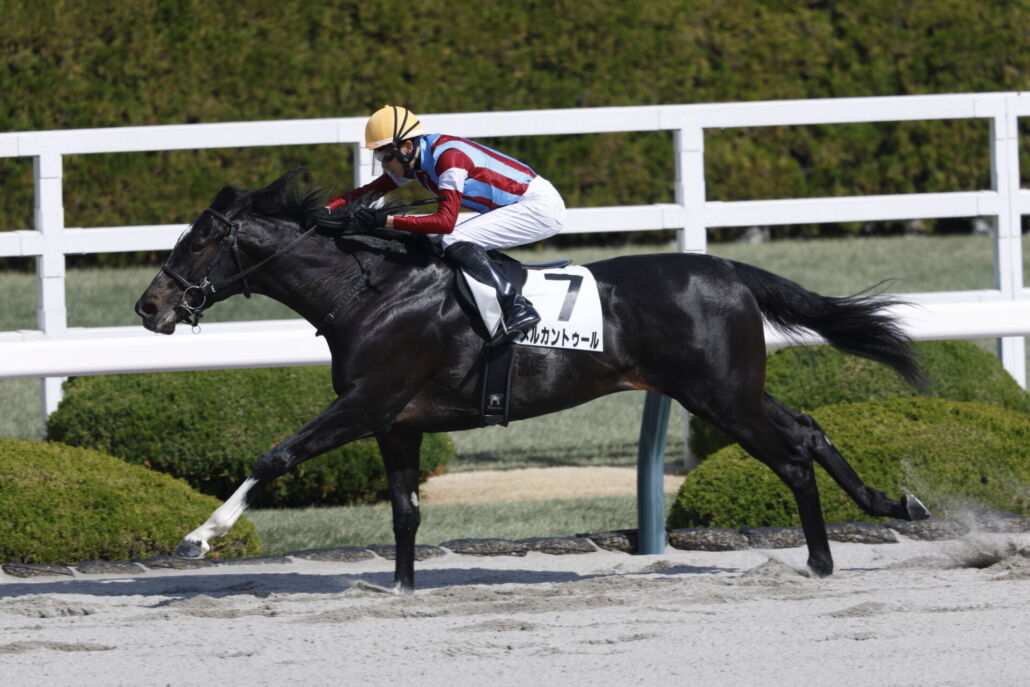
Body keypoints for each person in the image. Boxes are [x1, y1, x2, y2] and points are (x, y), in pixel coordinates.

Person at [324, 105, 566, 341]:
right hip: (521, 204)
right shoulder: (416, 162)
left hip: (539, 207)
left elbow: (445, 222)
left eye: (385, 156)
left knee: (453, 238)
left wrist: (385, 221)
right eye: (378, 156)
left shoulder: (448, 158)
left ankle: (516, 306)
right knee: (437, 241)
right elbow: (371, 190)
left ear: (407, 147)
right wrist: (328, 209)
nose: (384, 164)